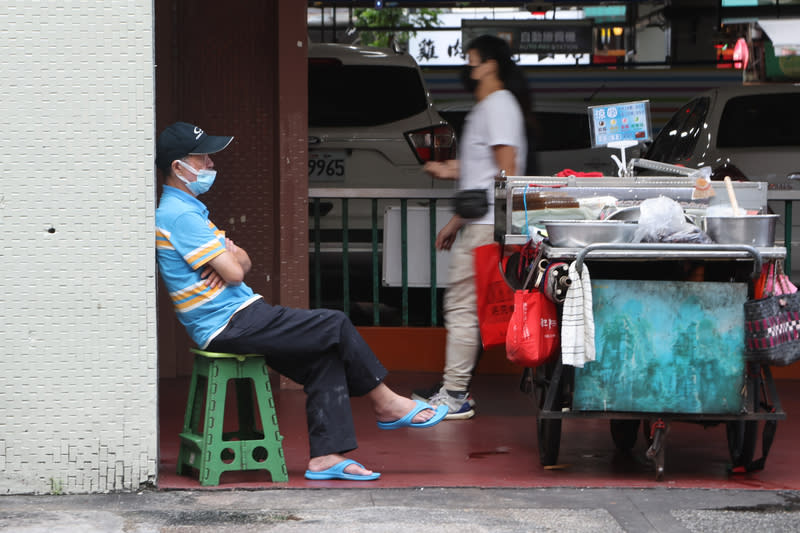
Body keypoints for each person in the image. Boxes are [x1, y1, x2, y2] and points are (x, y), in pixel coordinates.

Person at [155, 121, 448, 481]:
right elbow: (234, 273)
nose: (211, 165)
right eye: (203, 159)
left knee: (324, 358)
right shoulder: (181, 215)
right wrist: (230, 262)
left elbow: (241, 261)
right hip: (227, 321)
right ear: (178, 167)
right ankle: (386, 403)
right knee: (334, 323)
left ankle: (326, 457)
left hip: (238, 315)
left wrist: (232, 259)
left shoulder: (190, 210)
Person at [412, 35, 529, 419]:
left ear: (490, 65)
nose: (469, 68)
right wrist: (454, 207)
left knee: (461, 308)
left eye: (473, 61)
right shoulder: (494, 107)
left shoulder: (497, 106)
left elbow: (506, 171)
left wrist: (481, 222)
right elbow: (485, 172)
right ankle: (455, 388)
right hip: (480, 223)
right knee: (468, 309)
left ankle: (455, 395)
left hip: (485, 226)